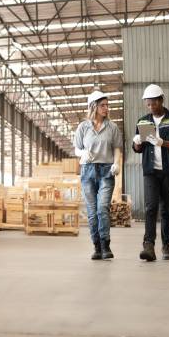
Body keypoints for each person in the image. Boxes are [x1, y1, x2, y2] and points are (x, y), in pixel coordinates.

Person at [131, 84, 169, 262]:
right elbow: (138, 149)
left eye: (153, 104)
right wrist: (137, 143)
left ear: (161, 100)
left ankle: (167, 244)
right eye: (147, 105)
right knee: (150, 207)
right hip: (150, 170)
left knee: (165, 209)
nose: (150, 107)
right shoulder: (143, 122)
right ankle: (148, 245)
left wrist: (162, 142)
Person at [72, 90, 123, 260]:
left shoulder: (112, 127)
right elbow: (77, 148)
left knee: (103, 208)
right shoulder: (83, 127)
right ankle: (96, 246)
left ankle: (105, 243)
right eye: (103, 105)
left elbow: (117, 148)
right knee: (92, 212)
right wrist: (82, 154)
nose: (106, 108)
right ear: (93, 106)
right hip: (87, 171)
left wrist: (116, 163)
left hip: (106, 171)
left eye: (107, 105)